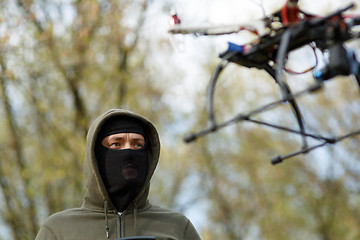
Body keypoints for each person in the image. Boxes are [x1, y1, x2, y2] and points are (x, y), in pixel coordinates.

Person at [35, 108, 201, 240]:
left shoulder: (177, 227)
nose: (128, 151)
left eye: (137, 144)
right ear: (96, 155)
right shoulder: (59, 230)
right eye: (116, 144)